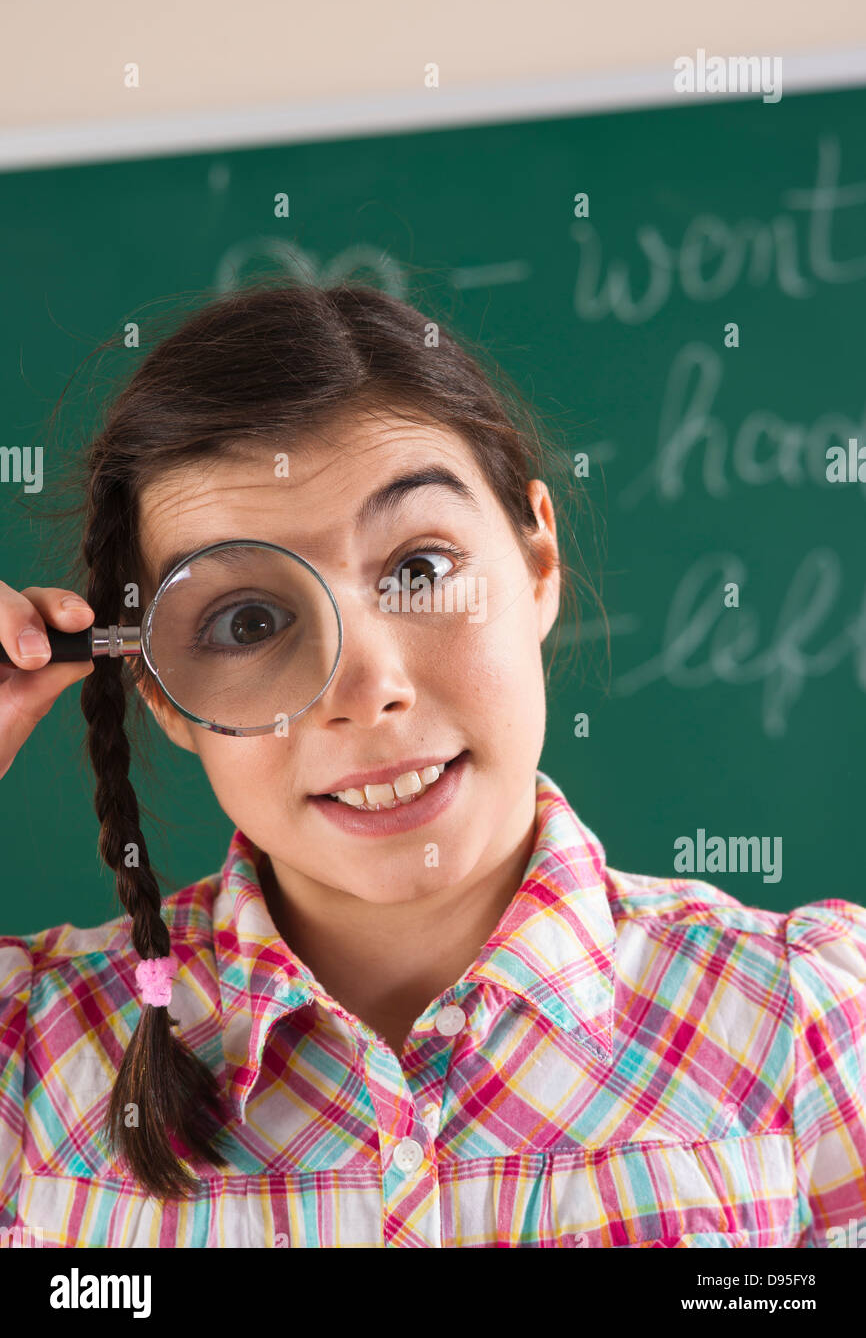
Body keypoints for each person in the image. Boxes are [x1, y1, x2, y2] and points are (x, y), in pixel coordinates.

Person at [0, 282, 864, 1248]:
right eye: (248, 621)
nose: (367, 691)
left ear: (539, 561)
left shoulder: (818, 1022)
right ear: (162, 693)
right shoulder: (26, 1055)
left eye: (419, 571)